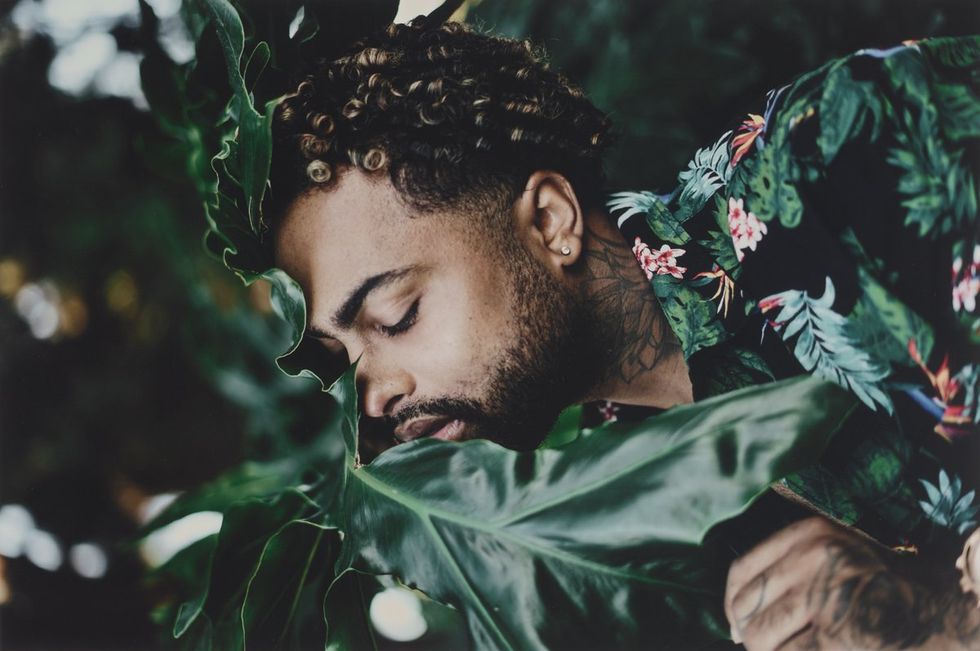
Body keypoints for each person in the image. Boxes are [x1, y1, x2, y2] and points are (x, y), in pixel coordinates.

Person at [267, 21, 980, 649]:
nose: (377, 395)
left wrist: (937, 621)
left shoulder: (846, 145)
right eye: (348, 362)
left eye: (395, 315)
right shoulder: (623, 535)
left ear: (550, 221)